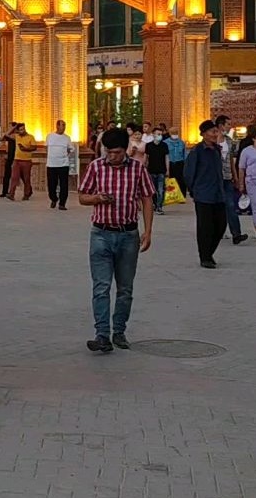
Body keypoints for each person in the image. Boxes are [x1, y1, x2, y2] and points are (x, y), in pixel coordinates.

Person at [78, 128, 154, 352]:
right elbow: (82, 196)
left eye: (117, 152)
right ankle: (102, 335)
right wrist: (97, 198)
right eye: (109, 152)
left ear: (126, 150)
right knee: (101, 287)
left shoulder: (138, 169)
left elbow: (147, 199)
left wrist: (148, 231)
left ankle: (119, 331)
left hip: (128, 235)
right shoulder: (96, 167)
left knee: (125, 288)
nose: (112, 156)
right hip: (101, 233)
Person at [185, 120, 227, 269]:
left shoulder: (217, 150)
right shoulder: (197, 151)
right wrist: (194, 190)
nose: (215, 134)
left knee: (221, 224)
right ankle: (205, 257)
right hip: (203, 194)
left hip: (218, 194)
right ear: (203, 134)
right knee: (205, 227)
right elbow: (189, 173)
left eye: (216, 131)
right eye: (212, 132)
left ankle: (209, 252)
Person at [216, 115, 247, 245]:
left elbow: (230, 160)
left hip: (227, 177)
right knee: (216, 206)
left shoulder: (229, 141)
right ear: (221, 125)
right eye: (228, 124)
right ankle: (216, 232)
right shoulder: (211, 141)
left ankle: (236, 234)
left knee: (230, 205)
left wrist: (235, 177)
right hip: (214, 179)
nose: (230, 127)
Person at [46, 119, 73, 211]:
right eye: (62, 125)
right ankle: (53, 198)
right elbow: (46, 148)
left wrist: (67, 152)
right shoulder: (50, 136)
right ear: (57, 126)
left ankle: (62, 203)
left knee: (64, 184)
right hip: (51, 164)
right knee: (51, 185)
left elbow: (71, 148)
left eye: (65, 125)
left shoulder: (67, 138)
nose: (64, 127)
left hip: (63, 164)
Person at [6, 123, 36, 201]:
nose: (22, 131)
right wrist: (14, 127)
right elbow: (6, 134)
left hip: (26, 161)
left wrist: (25, 149)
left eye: (23, 129)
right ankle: (11, 194)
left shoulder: (30, 137)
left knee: (26, 178)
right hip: (17, 160)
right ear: (18, 131)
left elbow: (34, 147)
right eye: (20, 129)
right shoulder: (17, 136)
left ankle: (26, 194)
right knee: (14, 177)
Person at [144, 128, 169, 215]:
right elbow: (146, 158)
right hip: (151, 170)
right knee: (153, 191)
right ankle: (154, 204)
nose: (160, 136)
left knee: (161, 190)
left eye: (161, 134)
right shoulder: (148, 145)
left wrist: (167, 170)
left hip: (161, 171)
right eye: (158, 134)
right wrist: (144, 168)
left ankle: (159, 207)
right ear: (153, 135)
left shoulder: (164, 145)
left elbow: (166, 158)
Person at [237, 140, 256, 235]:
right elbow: (241, 168)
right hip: (252, 182)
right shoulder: (246, 151)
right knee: (255, 206)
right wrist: (241, 184)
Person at [164, 127, 187, 197]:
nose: (175, 134)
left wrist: (185, 164)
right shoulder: (165, 143)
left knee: (181, 180)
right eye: (173, 133)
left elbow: (184, 154)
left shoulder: (181, 142)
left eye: (176, 133)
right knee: (170, 180)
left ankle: (182, 196)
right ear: (170, 134)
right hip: (170, 163)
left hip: (179, 163)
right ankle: (172, 196)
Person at [0, 122, 16, 197]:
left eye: (10, 127)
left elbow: (6, 135)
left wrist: (14, 127)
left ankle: (29, 190)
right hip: (9, 158)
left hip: (15, 158)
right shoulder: (8, 136)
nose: (9, 129)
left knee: (21, 176)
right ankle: (4, 192)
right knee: (6, 175)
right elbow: (1, 138)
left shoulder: (16, 136)